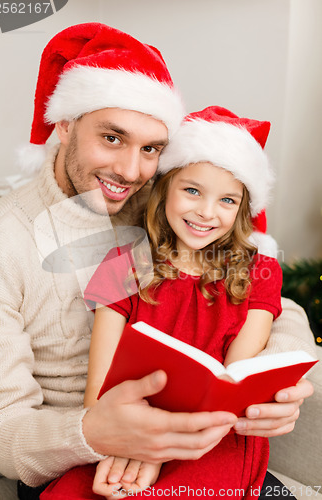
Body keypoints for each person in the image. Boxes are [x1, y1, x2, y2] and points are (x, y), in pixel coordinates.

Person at [0, 22, 315, 500]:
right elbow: (3, 431)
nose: (129, 171)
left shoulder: (163, 208)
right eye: (112, 138)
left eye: (150, 150)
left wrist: (272, 376)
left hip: (197, 435)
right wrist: (99, 434)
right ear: (63, 125)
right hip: (81, 456)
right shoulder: (2, 240)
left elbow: (271, 300)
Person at [39, 106, 310, 500]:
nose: (206, 212)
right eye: (192, 190)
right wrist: (138, 448)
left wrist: (162, 452)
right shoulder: (121, 266)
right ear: (165, 189)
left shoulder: (258, 273)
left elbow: (230, 390)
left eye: (227, 200)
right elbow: (98, 394)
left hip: (214, 437)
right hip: (128, 432)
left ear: (241, 211)